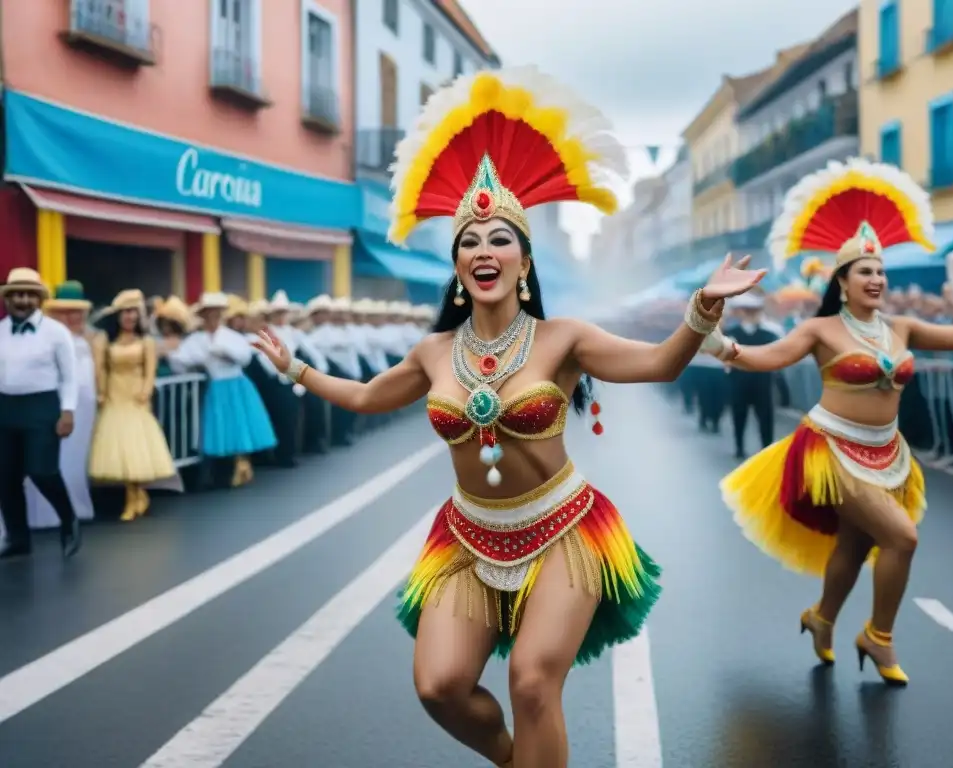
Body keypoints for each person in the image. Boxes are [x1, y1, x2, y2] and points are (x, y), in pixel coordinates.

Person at [252, 67, 764, 768]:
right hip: (467, 537)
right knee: (439, 686)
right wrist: (294, 369)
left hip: (564, 531)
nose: (483, 251)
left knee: (530, 682)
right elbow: (371, 397)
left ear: (523, 261)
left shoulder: (565, 339)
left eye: (499, 240)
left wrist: (703, 309)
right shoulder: (434, 351)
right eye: (469, 241)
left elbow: (659, 364)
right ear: (457, 265)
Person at [703, 158, 953, 687]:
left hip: (888, 452)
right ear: (844, 283)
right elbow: (766, 358)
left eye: (880, 272)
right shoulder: (821, 329)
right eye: (865, 273)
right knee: (901, 538)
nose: (876, 279)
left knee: (854, 546)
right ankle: (878, 636)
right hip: (831, 450)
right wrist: (715, 338)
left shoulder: (902, 325)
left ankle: (822, 619)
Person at [0, 267, 82, 559]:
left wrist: (67, 411)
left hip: (42, 407)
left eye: (29, 295)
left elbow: (70, 376)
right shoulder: (0, 331)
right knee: (6, 477)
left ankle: (69, 520)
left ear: (38, 299)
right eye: (16, 295)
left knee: (41, 470)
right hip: (6, 407)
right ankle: (18, 538)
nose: (22, 300)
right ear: (7, 299)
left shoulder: (56, 332)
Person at [166, 292, 277, 488]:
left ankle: (241, 462)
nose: (212, 317)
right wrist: (181, 356)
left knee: (239, 423)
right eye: (209, 313)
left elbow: (244, 357)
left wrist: (224, 351)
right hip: (215, 386)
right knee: (218, 425)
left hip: (235, 384)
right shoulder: (196, 339)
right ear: (203, 315)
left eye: (216, 313)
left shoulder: (231, 336)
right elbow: (179, 362)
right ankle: (223, 469)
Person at [89, 289, 178, 521]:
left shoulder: (146, 341)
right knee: (121, 447)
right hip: (115, 396)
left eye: (133, 312)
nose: (129, 317)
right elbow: (100, 369)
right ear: (117, 315)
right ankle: (134, 494)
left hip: (137, 396)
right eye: (125, 312)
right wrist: (101, 393)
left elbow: (151, 371)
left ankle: (136, 495)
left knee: (137, 447)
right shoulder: (105, 340)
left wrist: (146, 391)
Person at [27, 280, 97, 527]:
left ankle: (77, 508)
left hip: (86, 408)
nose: (72, 317)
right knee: (51, 460)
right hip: (57, 407)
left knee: (77, 460)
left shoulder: (87, 340)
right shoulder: (47, 339)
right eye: (65, 311)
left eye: (76, 311)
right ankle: (47, 514)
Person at [724, 291, 781, 459]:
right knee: (739, 415)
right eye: (749, 311)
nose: (753, 314)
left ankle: (767, 448)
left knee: (765, 417)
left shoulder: (769, 335)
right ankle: (739, 446)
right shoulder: (731, 333)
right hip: (739, 381)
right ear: (742, 312)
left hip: (762, 382)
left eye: (755, 311)